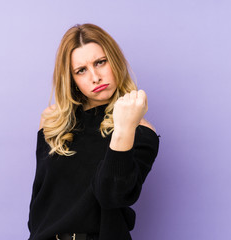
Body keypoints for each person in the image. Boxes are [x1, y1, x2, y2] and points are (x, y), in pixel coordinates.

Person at [27, 23, 160, 240]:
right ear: (72, 79)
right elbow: (40, 197)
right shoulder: (52, 121)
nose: (95, 77)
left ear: (115, 61)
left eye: (100, 62)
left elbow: (112, 196)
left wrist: (124, 128)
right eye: (81, 70)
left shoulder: (140, 130)